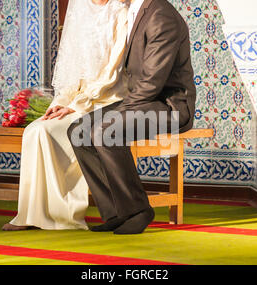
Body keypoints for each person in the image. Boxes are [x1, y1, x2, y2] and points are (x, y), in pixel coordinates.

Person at [68, 0, 196, 235]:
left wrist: (118, 112)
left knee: (105, 130)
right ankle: (116, 212)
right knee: (78, 131)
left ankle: (138, 210)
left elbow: (152, 82)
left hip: (169, 106)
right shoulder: (136, 11)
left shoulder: (161, 15)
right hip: (146, 100)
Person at [2, 0, 130, 231]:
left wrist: (79, 104)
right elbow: (71, 70)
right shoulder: (80, 10)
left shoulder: (121, 13)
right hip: (79, 101)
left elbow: (114, 72)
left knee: (63, 132)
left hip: (108, 100)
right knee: (36, 130)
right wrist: (60, 102)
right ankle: (31, 215)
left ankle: (65, 215)